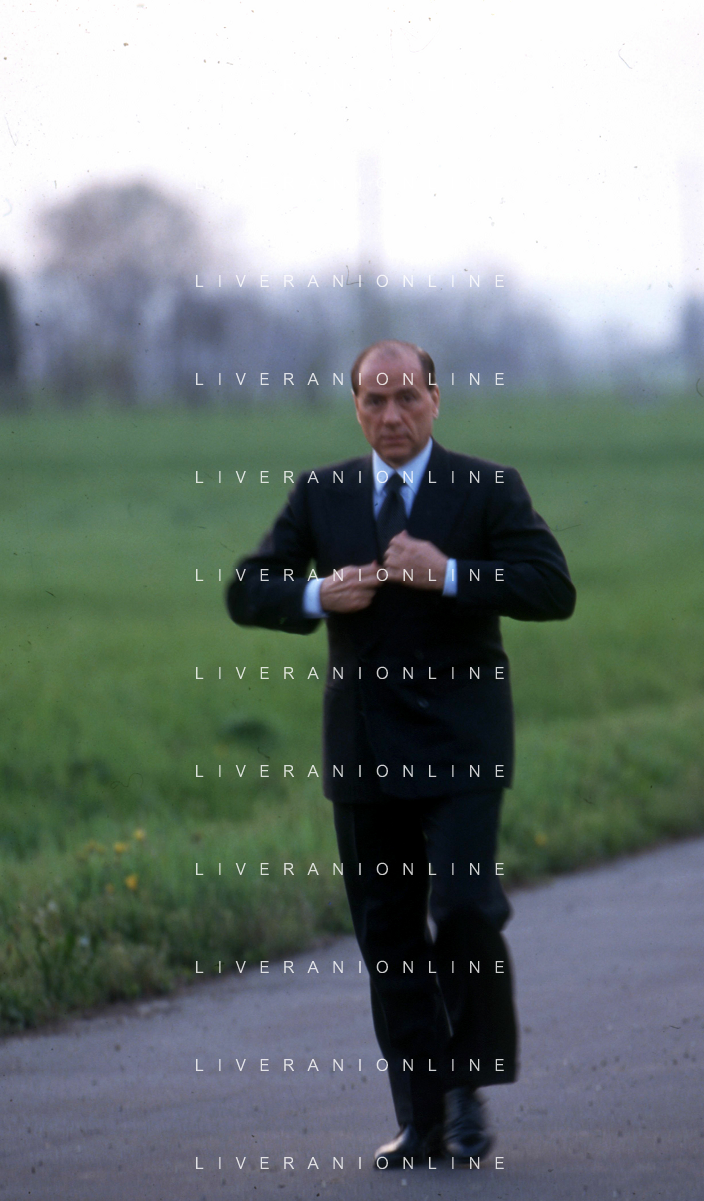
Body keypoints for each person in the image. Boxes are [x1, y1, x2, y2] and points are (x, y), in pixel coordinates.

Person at [226, 339, 576, 1167]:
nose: (392, 415)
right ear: (355, 407)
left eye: (407, 397)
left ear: (435, 399)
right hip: (363, 749)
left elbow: (551, 588)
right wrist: (317, 593)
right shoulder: (323, 492)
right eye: (374, 400)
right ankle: (423, 1121)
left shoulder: (488, 487)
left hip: (463, 745)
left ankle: (464, 1086)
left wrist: (451, 574)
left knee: (463, 907)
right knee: (388, 936)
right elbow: (246, 588)